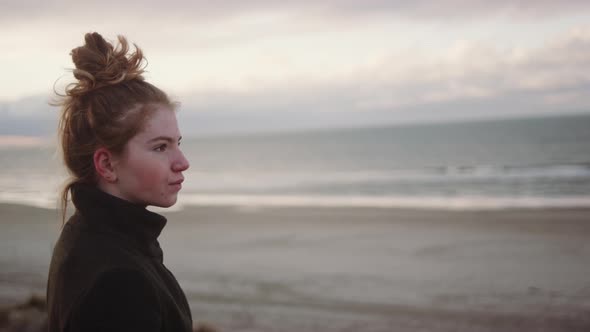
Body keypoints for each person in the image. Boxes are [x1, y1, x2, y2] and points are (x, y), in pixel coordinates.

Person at [46, 32, 192, 332]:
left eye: (177, 143)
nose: (182, 162)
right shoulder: (119, 284)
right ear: (107, 164)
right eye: (160, 147)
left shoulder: (85, 235)